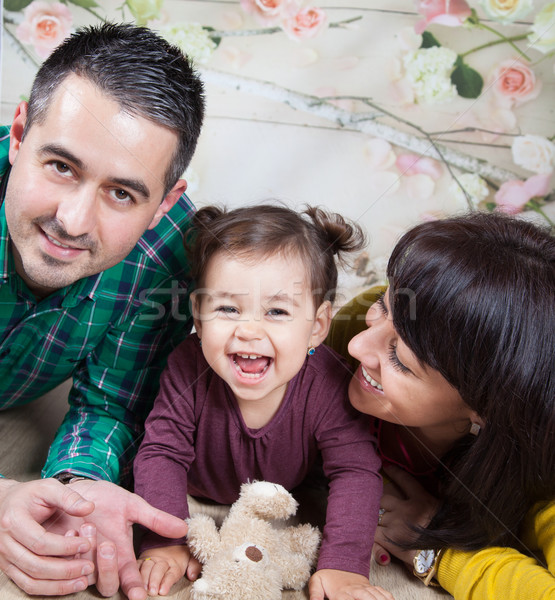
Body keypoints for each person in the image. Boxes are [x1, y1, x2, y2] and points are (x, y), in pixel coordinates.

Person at [0, 22, 205, 600]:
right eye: (61, 165)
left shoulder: (171, 250)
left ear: (164, 201)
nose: (72, 221)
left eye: (122, 193)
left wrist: (78, 487)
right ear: (18, 136)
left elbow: (111, 401)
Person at [133, 204, 394, 600]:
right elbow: (161, 452)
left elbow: (355, 472)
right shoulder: (188, 366)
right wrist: (163, 538)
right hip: (198, 488)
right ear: (199, 320)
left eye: (276, 311)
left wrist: (343, 564)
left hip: (283, 493)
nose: (249, 331)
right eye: (228, 308)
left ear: (317, 327)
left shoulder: (328, 381)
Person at [326, 212, 555, 599]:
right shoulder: (357, 329)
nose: (358, 347)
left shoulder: (541, 475)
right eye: (383, 305)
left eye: (400, 359)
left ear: (485, 408)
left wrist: (434, 552)